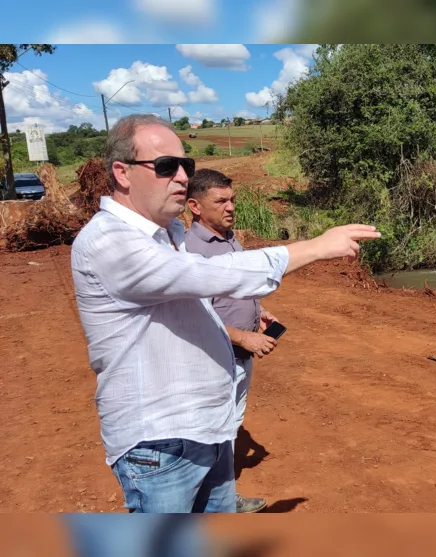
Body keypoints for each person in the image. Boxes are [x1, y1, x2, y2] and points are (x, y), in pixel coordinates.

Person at [70, 114, 380, 513]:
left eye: (186, 166)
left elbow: (197, 305)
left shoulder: (169, 236)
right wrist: (316, 247)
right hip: (161, 444)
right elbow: (212, 275)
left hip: (207, 430)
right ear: (122, 173)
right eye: (167, 166)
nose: (182, 176)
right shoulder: (109, 241)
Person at [183, 169, 277, 513]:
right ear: (194, 205)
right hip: (215, 358)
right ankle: (208, 502)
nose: (231, 207)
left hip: (240, 356)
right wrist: (243, 337)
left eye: (232, 199)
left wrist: (261, 311)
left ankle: (219, 498)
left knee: (229, 426)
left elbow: (235, 290)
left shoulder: (229, 239)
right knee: (210, 431)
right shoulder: (189, 250)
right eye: (220, 201)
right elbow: (196, 314)